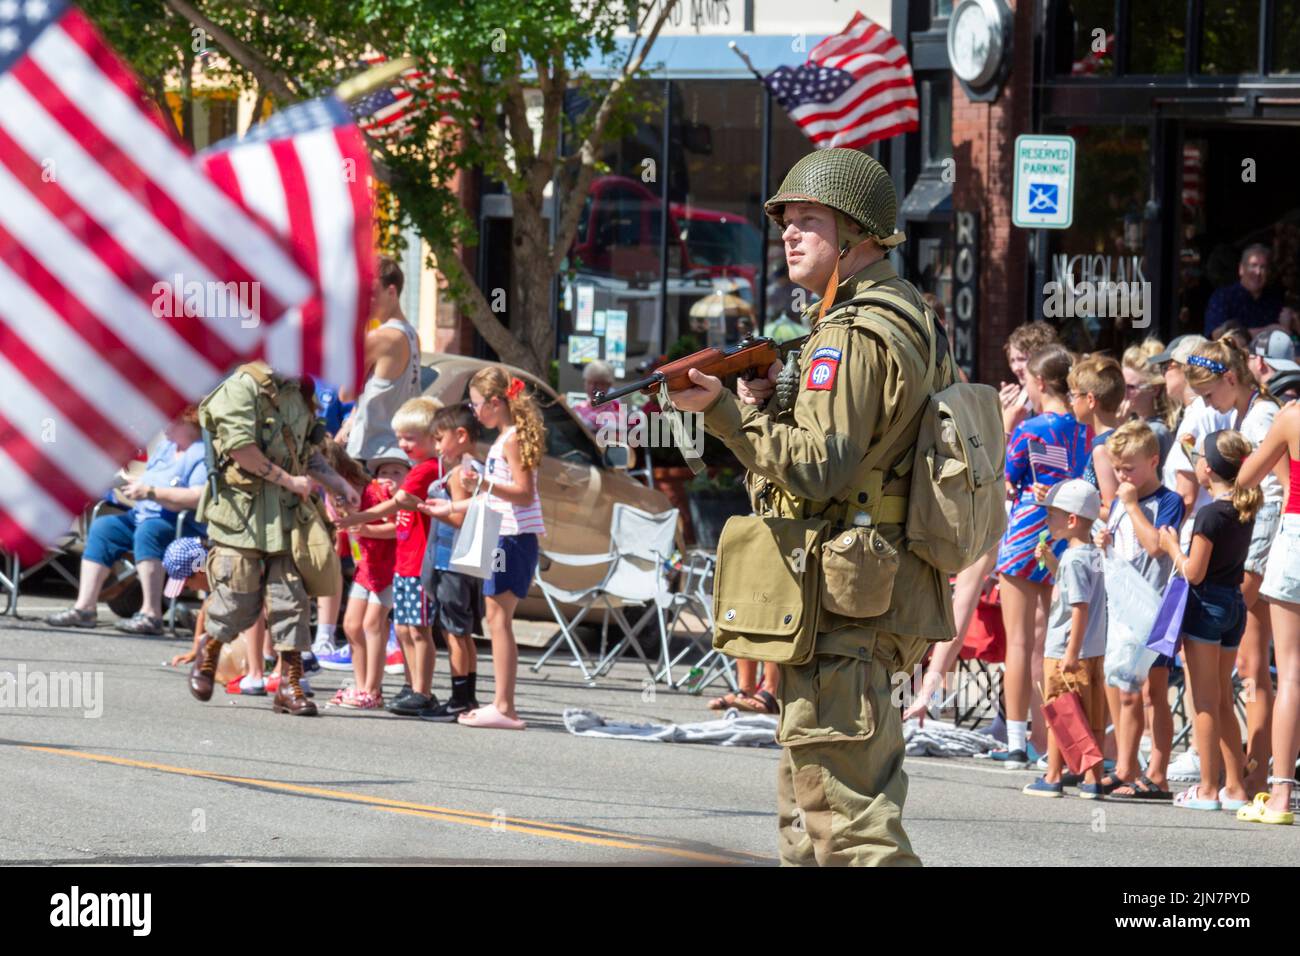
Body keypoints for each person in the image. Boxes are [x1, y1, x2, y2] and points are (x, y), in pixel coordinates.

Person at [668, 147, 955, 865]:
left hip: (842, 615)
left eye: (808, 221)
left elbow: (820, 469)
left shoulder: (850, 335)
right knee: (809, 819)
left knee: (850, 830)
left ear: (857, 236)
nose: (789, 235)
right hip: (857, 600)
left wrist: (729, 419)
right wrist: (775, 400)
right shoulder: (906, 313)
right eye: (785, 222)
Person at [185, 362, 360, 716]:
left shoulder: (299, 390)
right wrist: (288, 480)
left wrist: (338, 484)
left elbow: (307, 452)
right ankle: (209, 653)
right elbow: (239, 449)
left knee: (291, 598)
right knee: (237, 594)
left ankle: (289, 684)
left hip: (286, 514)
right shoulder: (241, 388)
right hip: (243, 512)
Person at [1185, 338, 1285, 795]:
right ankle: (1244, 775)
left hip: (1259, 555)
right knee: (1246, 672)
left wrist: (1255, 563)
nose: (1209, 405)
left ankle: (1254, 773)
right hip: (1255, 552)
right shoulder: (1247, 414)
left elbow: (1273, 494)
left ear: (1230, 379)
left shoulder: (1264, 415)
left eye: (1209, 395)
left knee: (1249, 671)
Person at [435, 367, 546, 731]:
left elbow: (523, 492)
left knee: (498, 621)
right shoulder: (506, 438)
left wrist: (482, 481)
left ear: (496, 403)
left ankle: (504, 705)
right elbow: (494, 496)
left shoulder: (511, 440)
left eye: (477, 403)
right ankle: (502, 703)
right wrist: (451, 506)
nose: (474, 409)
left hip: (511, 537)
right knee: (496, 620)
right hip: (507, 534)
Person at [996, 345, 1090, 768]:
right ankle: (1052, 739)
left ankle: (1017, 740)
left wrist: (1005, 424)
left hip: (1025, 530)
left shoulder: (1031, 428)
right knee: (1051, 645)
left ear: (1038, 383)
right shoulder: (1082, 429)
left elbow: (1001, 476)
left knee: (1018, 643)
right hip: (1065, 533)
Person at [1160, 429, 1258, 810]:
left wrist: (1171, 546)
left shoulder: (1210, 513)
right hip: (1233, 604)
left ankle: (1206, 789)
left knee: (1203, 701)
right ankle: (1234, 786)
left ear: (1208, 468)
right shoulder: (1245, 507)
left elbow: (1194, 572)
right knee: (1221, 699)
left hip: (1206, 606)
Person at [48, 409, 208, 635]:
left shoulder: (200, 454)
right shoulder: (166, 448)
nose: (164, 427)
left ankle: (151, 614)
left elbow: (197, 496)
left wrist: (150, 492)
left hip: (180, 523)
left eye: (169, 422)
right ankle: (85, 608)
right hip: (145, 514)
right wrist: (126, 482)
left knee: (149, 531)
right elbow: (151, 480)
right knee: (105, 528)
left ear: (187, 423)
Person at [336, 397, 443, 716]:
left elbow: (397, 504)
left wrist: (358, 519)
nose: (403, 444)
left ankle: (421, 690)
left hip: (418, 561)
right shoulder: (423, 469)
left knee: (418, 630)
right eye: (401, 437)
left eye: (410, 437)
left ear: (432, 435)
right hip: (405, 562)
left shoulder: (426, 470)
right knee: (406, 629)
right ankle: (412, 686)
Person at [1093, 421, 1183, 800]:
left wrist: (1130, 506)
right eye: (1117, 469)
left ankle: (1158, 772)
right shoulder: (1118, 501)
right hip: (1124, 608)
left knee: (1153, 692)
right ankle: (1127, 765)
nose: (1122, 475)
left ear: (1153, 461)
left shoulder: (1168, 500)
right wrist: (1104, 538)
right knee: (1123, 687)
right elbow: (1122, 547)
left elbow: (1154, 546)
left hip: (1158, 607)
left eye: (1130, 468)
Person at [1023, 480, 1109, 799]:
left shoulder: (1074, 560)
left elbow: (1079, 607)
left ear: (1071, 520)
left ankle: (1053, 775)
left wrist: (1070, 653)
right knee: (1090, 715)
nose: (1047, 522)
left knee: (1059, 713)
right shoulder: (1091, 555)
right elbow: (1080, 592)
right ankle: (1092, 778)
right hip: (1094, 649)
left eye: (1051, 516)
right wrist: (1049, 562)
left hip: (1066, 649)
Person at [1236, 399, 1300, 824]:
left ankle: (1279, 795)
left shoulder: (1292, 416)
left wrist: (1285, 465)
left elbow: (1245, 477)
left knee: (1292, 670)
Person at [417, 404, 487, 721]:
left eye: (439, 438)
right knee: (463, 632)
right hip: (468, 563)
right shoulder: (478, 467)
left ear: (460, 436)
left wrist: (433, 509)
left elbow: (460, 517)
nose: (436, 446)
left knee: (454, 632)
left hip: (452, 561)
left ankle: (459, 698)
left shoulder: (461, 472)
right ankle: (467, 696)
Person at [332, 448, 407, 709]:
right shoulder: (370, 494)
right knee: (352, 625)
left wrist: (366, 529)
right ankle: (361, 684)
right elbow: (353, 524)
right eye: (383, 472)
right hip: (367, 567)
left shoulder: (401, 501)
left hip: (389, 567)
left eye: (396, 472)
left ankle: (373, 689)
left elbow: (398, 530)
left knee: (373, 623)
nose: (388, 477)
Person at [337, 256, 423, 464]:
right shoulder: (412, 335)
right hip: (399, 450)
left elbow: (345, 394)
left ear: (391, 292)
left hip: (372, 450)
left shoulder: (379, 338)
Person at [1068, 355, 1126, 508]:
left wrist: (1069, 505)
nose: (1071, 402)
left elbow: (1112, 510)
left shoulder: (1102, 449)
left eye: (1073, 396)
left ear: (1090, 400)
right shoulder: (1120, 436)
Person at [1203, 244, 1287, 336]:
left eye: (1263, 267)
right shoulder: (1223, 297)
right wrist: (1267, 331)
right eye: (1253, 266)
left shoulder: (1274, 300)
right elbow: (1215, 335)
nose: (1258, 272)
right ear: (1241, 269)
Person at [999, 321, 1060, 437]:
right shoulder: (1017, 398)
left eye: (1022, 359)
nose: (1016, 368)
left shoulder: (1063, 396)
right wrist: (1000, 412)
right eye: (1012, 360)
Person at [1120, 340, 1174, 467]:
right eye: (1122, 385)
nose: (1124, 393)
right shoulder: (1133, 422)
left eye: (1131, 387)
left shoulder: (1155, 432)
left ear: (1154, 389)